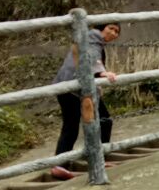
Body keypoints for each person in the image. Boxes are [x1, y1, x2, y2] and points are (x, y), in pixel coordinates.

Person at [50, 22, 120, 180]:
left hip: (74, 87)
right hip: (73, 87)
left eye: (117, 31)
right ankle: (65, 164)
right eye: (111, 28)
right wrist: (101, 73)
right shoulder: (93, 36)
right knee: (89, 122)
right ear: (101, 28)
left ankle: (64, 164)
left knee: (84, 123)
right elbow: (91, 56)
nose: (113, 33)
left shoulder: (92, 39)